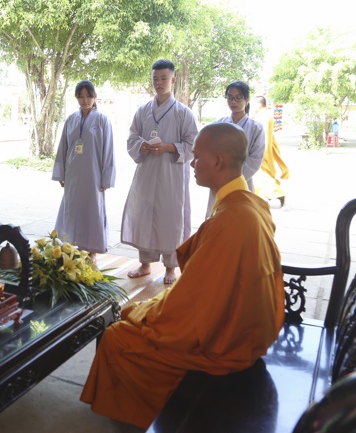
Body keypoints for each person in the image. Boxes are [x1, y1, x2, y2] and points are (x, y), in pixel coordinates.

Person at [80, 122, 285, 429]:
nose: (192, 163)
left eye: (198, 157)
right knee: (139, 313)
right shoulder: (249, 204)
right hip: (248, 328)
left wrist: (142, 312)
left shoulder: (230, 220)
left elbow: (190, 309)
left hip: (229, 346)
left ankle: (140, 419)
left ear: (218, 161)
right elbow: (204, 288)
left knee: (118, 336)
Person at [121, 59, 198, 284]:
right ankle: (145, 264)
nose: (159, 83)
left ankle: (171, 268)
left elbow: (193, 144)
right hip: (147, 172)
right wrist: (141, 146)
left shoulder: (183, 113)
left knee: (171, 219)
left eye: (164, 78)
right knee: (143, 215)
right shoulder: (143, 111)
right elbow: (132, 138)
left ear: (173, 80)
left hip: (171, 175)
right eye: (155, 78)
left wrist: (169, 147)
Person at [52, 80, 116, 261]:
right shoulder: (71, 120)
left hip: (94, 175)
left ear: (95, 97)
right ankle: (72, 246)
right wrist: (61, 173)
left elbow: (108, 150)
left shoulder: (102, 121)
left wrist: (106, 178)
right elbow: (63, 147)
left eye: (88, 96)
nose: (85, 100)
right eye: (81, 96)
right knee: (72, 210)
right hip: (73, 174)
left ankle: (92, 251)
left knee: (92, 210)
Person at [206, 81, 265, 216]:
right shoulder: (218, 125)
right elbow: (209, 150)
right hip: (219, 182)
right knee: (216, 218)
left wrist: (232, 177)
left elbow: (256, 159)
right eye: (230, 97)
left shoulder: (256, 128)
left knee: (240, 218)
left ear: (247, 100)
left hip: (242, 182)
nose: (233, 101)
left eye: (238, 97)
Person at [252, 96, 289, 207]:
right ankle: (268, 195)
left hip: (262, 149)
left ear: (259, 104)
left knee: (260, 175)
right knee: (260, 175)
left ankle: (277, 194)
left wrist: (261, 151)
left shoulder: (262, 116)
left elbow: (264, 135)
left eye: (254, 104)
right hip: (264, 148)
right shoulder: (264, 114)